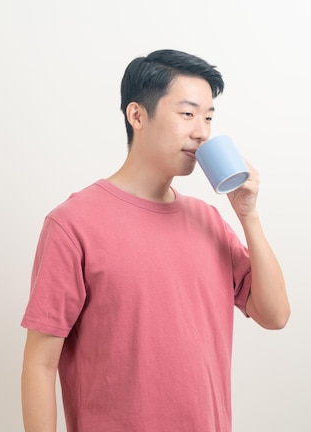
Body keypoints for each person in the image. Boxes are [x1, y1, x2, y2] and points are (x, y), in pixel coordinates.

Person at [20, 49, 290, 432]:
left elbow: (275, 315)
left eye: (208, 117)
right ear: (137, 115)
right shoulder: (73, 224)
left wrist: (249, 216)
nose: (201, 131)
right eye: (187, 114)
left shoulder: (208, 220)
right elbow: (40, 364)